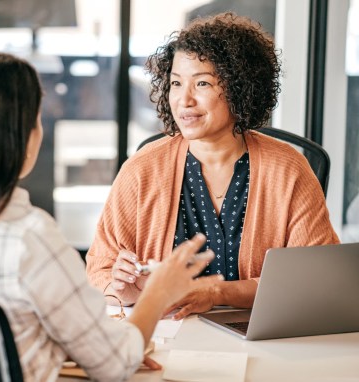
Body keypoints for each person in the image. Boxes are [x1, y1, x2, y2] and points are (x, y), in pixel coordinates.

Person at [0, 52, 218, 382]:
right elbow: (115, 363)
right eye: (37, 118)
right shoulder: (29, 237)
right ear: (21, 137)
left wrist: (67, 345)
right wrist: (158, 293)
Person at [86, 12, 340, 320]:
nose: (184, 100)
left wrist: (217, 293)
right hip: (167, 334)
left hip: (258, 337)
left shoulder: (288, 169)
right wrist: (125, 292)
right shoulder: (142, 169)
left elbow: (313, 279)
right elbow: (100, 269)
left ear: (238, 88)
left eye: (202, 83)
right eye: (176, 83)